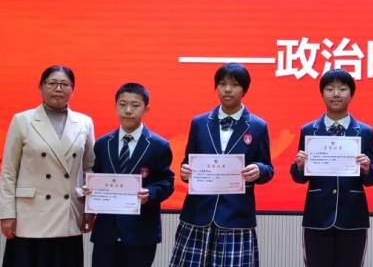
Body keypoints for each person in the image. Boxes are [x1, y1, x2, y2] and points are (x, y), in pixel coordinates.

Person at [170, 63, 274, 267]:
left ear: (244, 90)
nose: (227, 89)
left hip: (236, 216)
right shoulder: (199, 122)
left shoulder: (258, 126)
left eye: (234, 85)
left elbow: (268, 168)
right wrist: (185, 172)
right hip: (198, 213)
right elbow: (187, 162)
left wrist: (259, 170)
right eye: (222, 84)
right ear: (215, 87)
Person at [0, 65, 95, 267]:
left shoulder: (84, 122)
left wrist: (90, 208)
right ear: (41, 87)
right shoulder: (22, 120)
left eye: (64, 84)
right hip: (30, 215)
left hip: (68, 214)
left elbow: (89, 169)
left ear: (73, 89)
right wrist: (6, 213)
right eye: (52, 83)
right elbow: (8, 172)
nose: (58, 88)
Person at [290, 69, 373, 267]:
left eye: (342, 89)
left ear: (351, 94)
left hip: (353, 216)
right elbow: (298, 176)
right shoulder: (309, 130)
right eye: (330, 89)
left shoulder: (364, 131)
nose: (336, 94)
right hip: (317, 215)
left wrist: (367, 168)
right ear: (322, 94)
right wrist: (300, 166)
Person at [85, 83, 175, 267]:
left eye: (135, 105)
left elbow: (167, 182)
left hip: (140, 232)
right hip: (106, 232)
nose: (128, 110)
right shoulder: (102, 144)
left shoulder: (159, 145)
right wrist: (89, 190)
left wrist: (150, 193)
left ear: (146, 108)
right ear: (115, 106)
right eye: (122, 104)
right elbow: (95, 176)